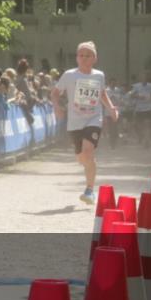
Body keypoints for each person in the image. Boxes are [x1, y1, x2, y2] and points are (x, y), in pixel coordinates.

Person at [51, 41, 119, 206]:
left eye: (88, 55)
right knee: (82, 158)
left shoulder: (99, 75)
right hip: (75, 122)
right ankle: (88, 168)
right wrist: (57, 107)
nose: (84, 58)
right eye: (81, 55)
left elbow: (102, 93)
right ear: (76, 58)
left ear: (94, 58)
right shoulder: (69, 75)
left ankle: (89, 190)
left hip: (93, 119)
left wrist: (111, 108)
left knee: (88, 152)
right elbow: (55, 93)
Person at [130, 71, 151, 148]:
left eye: (145, 77)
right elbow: (131, 95)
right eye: (142, 77)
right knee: (138, 125)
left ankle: (147, 141)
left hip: (148, 108)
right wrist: (139, 97)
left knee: (147, 124)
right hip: (139, 109)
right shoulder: (136, 86)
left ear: (147, 78)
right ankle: (141, 135)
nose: (144, 79)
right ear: (140, 79)